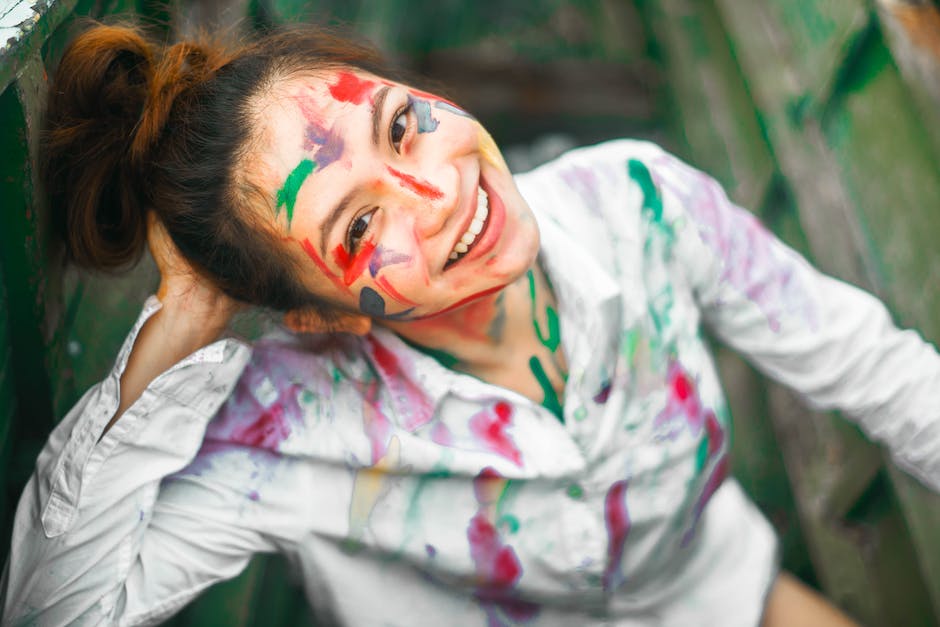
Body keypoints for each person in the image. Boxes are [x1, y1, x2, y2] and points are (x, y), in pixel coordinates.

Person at [2, 20, 939, 627]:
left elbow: (879, 371)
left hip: (716, 584)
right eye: (360, 224)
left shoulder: (642, 205)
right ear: (315, 312)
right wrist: (178, 326)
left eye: (403, 125)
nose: (444, 188)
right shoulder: (285, 435)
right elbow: (63, 611)